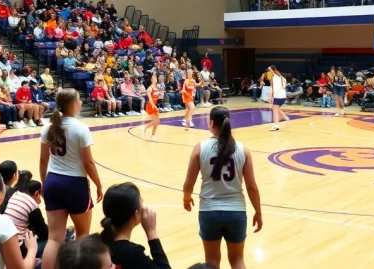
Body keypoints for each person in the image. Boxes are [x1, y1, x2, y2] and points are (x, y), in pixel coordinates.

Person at [182, 107, 263, 269]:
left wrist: (187, 196)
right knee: (237, 260)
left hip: (209, 211)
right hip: (236, 211)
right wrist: (258, 212)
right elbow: (252, 187)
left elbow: (188, 184)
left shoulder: (200, 148)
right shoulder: (242, 149)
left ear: (211, 123)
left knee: (211, 261)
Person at [39, 89, 103, 269]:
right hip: (75, 184)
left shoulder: (48, 127)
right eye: (80, 99)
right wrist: (98, 184)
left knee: (54, 238)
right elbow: (88, 162)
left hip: (53, 182)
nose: (81, 102)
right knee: (82, 236)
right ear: (74, 105)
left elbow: (43, 160)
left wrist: (45, 184)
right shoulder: (80, 128)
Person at [99, 182, 170, 269]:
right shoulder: (132, 254)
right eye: (142, 202)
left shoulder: (95, 243)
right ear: (135, 214)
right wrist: (152, 232)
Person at [141, 75, 161, 141]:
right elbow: (149, 98)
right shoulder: (149, 88)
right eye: (153, 78)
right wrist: (152, 104)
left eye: (155, 78)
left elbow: (157, 97)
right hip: (150, 105)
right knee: (156, 121)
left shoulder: (157, 88)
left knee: (157, 122)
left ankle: (153, 135)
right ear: (151, 80)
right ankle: (144, 128)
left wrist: (160, 94)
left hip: (154, 105)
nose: (154, 79)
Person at [268, 66, 288, 131]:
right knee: (276, 109)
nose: (268, 72)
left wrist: (271, 97)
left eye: (269, 70)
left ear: (272, 71)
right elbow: (284, 85)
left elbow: (274, 89)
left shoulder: (274, 78)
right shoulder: (281, 77)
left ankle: (276, 125)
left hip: (278, 96)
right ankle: (283, 117)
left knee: (275, 110)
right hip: (283, 96)